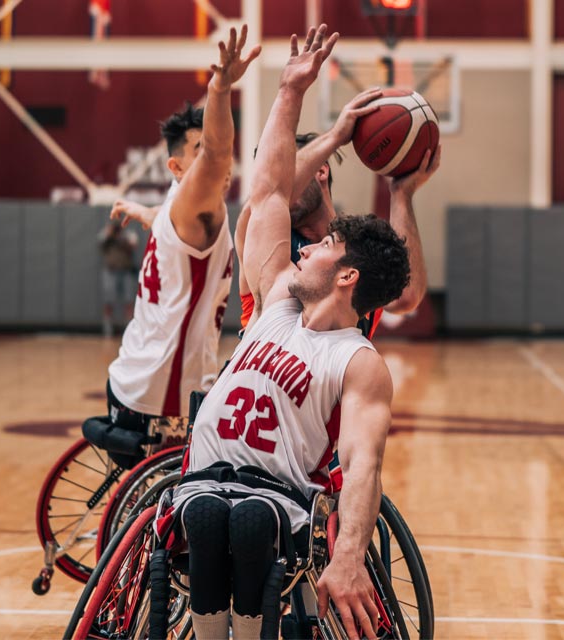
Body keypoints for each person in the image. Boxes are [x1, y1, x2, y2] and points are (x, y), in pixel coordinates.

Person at [170, 25, 409, 640]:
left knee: (248, 523)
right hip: (202, 478)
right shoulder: (276, 300)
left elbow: (362, 464)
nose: (309, 250)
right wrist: (289, 91)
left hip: (274, 498)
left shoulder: (359, 362)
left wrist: (351, 553)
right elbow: (271, 189)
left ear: (348, 274)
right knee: (202, 514)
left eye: (327, 245)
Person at [83, 26, 260, 450]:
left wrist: (141, 212)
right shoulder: (194, 205)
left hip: (135, 374)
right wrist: (219, 90)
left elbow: (167, 218)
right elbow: (219, 155)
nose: (215, 160)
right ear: (177, 168)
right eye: (197, 150)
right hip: (165, 394)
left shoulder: (174, 206)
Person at [235, 96, 442, 338]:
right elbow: (268, 195)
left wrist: (401, 194)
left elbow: (405, 297)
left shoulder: (359, 248)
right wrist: (335, 136)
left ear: (320, 170)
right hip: (263, 370)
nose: (281, 187)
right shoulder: (264, 237)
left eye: (289, 175)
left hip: (334, 374)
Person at [98, 220, 138, 337]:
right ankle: (108, 330)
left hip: (126, 271)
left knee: (129, 301)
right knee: (108, 300)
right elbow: (101, 244)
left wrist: (120, 238)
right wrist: (110, 235)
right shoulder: (106, 234)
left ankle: (130, 331)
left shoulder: (129, 234)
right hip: (111, 271)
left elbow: (133, 245)